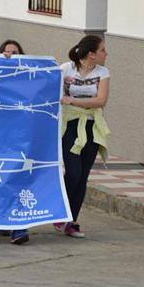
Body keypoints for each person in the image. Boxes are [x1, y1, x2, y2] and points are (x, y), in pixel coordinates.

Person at [56, 35, 110, 240]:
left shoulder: (103, 72)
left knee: (83, 175)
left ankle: (71, 220)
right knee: (73, 172)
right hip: (69, 125)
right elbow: (57, 95)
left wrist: (72, 100)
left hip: (91, 126)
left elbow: (101, 100)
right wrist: (79, 103)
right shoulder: (66, 69)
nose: (106, 54)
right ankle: (61, 212)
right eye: (103, 50)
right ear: (91, 54)